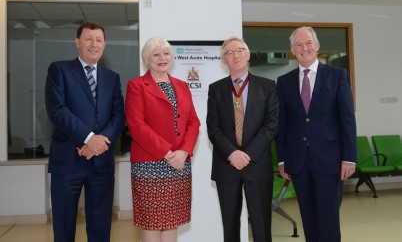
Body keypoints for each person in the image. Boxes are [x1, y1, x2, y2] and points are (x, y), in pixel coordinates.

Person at [45, 21, 125, 242]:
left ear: (105, 45)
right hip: (68, 161)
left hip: (101, 164)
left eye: (99, 40)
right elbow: (57, 111)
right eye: (88, 39)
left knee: (101, 227)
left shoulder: (112, 78)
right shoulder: (59, 70)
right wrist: (89, 138)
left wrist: (99, 145)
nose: (94, 44)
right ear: (77, 42)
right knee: (64, 226)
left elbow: (119, 116)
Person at [276, 26, 357, 242]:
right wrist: (282, 159)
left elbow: (347, 120)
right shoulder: (283, 82)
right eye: (299, 45)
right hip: (298, 162)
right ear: (292, 50)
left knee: (329, 220)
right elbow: (282, 124)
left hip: (330, 161)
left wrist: (349, 157)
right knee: (309, 219)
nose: (304, 48)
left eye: (308, 43)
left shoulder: (337, 75)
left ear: (317, 46)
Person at [125, 37, 200, 242]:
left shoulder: (183, 86)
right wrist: (168, 154)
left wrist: (183, 152)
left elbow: (193, 123)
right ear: (147, 59)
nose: (162, 58)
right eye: (156, 54)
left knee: (171, 220)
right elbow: (136, 126)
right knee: (151, 221)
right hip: (150, 163)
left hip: (179, 163)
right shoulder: (137, 85)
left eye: (166, 53)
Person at [206, 37, 279, 242]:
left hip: (257, 164)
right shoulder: (216, 89)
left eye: (239, 50)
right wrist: (232, 154)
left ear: (247, 54)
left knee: (261, 224)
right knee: (230, 226)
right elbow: (213, 128)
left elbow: (272, 124)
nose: (235, 55)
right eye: (229, 53)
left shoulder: (267, 86)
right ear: (223, 60)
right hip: (226, 166)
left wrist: (247, 154)